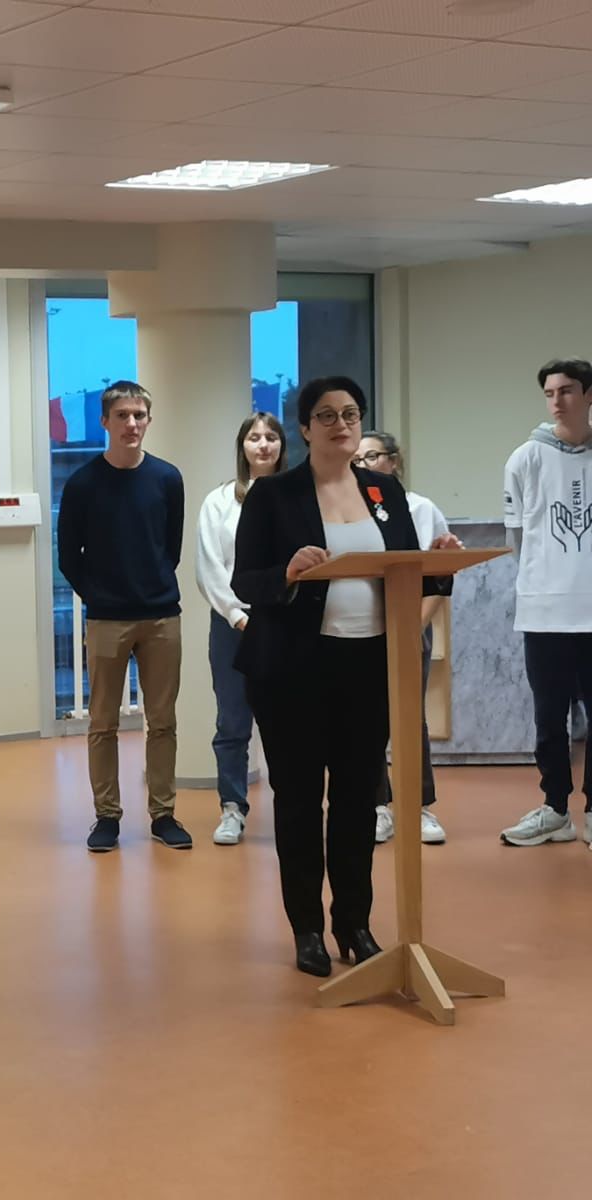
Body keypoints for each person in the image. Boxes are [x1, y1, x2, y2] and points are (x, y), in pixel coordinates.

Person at [233, 377, 459, 977]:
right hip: (292, 670)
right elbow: (245, 582)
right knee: (302, 800)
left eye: (351, 414)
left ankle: (355, 923)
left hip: (369, 665)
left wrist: (440, 559)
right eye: (326, 415)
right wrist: (287, 570)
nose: (341, 423)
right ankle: (307, 928)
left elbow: (407, 573)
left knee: (359, 800)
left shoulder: (384, 491)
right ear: (305, 428)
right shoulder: (274, 495)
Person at [57, 380, 190, 853]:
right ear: (106, 421)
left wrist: (148, 585)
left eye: (139, 416)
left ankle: (163, 813)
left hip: (160, 617)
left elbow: (169, 547)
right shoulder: (83, 483)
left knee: (163, 720)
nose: (132, 424)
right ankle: (107, 817)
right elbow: (68, 556)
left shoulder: (168, 478)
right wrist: (100, 594)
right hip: (106, 619)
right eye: (123, 416)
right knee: (102, 723)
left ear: (148, 421)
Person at [499, 359, 592, 848]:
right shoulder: (525, 459)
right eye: (550, 392)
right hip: (545, 610)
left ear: (589, 395)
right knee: (549, 718)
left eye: (569, 390)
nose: (558, 401)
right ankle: (556, 809)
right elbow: (517, 538)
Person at [355, 430, 450, 846]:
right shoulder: (347, 512)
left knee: (411, 717)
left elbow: (438, 575)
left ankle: (419, 807)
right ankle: (378, 805)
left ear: (393, 461)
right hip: (361, 628)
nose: (363, 465)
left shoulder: (421, 509)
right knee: (366, 719)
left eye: (372, 456)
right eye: (357, 459)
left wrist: (413, 626)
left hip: (412, 625)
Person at [195, 411, 286, 846]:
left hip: (285, 621)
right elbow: (210, 567)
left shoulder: (298, 498)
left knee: (289, 721)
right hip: (233, 623)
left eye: (271, 437)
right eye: (255, 437)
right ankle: (232, 808)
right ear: (243, 447)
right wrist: (237, 614)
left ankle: (292, 804)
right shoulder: (219, 501)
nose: (263, 444)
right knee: (232, 721)